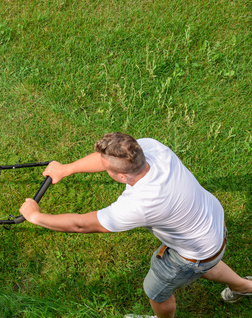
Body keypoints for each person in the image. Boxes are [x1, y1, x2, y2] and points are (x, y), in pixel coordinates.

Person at [19, 132, 252, 318]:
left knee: (156, 292)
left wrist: (36, 217)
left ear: (121, 177)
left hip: (193, 253)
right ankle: (245, 286)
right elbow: (110, 160)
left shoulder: (140, 204)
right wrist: (66, 168)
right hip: (212, 225)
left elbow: (82, 224)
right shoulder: (151, 148)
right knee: (205, 263)